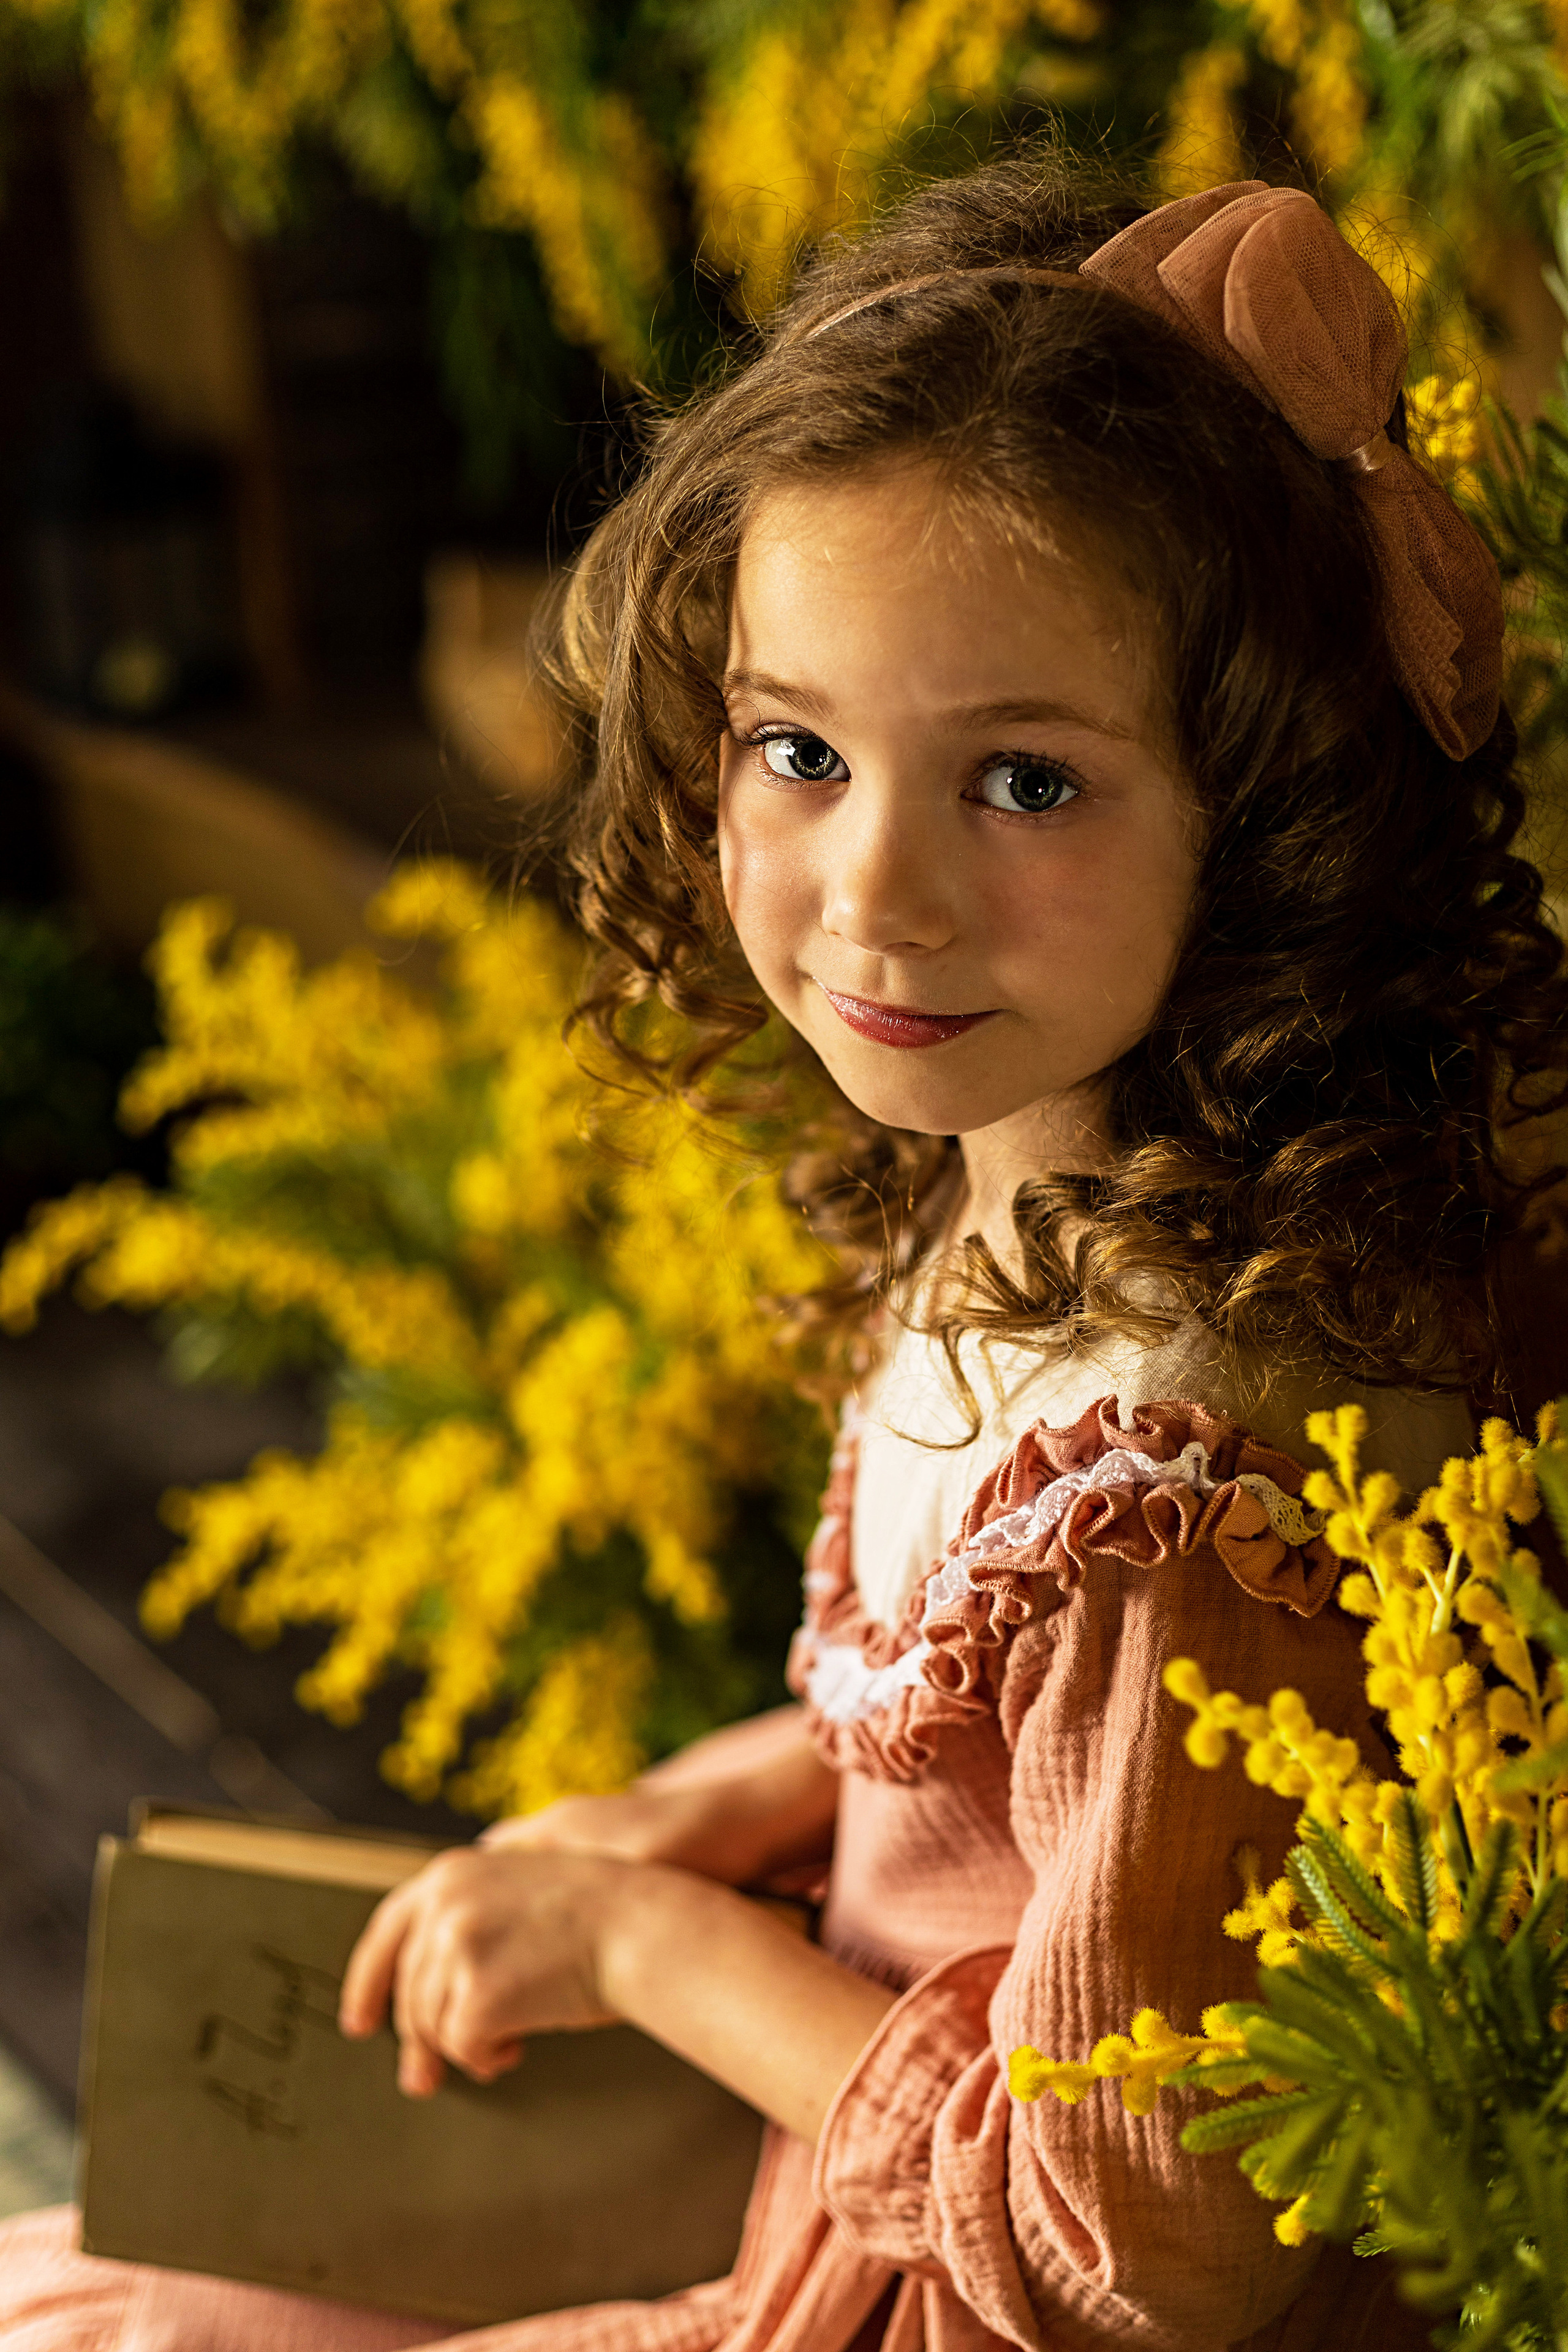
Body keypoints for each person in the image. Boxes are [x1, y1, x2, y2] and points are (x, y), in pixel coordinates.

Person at [4, 146, 1565, 2352]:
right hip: (828, 2137)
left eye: (1025, 781)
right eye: (799, 750)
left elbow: (1137, 2250)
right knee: (168, 2273)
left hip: (948, 2286)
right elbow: (952, 1748)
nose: (875, 898)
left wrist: (654, 1950)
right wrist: (696, 1798)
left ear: (1274, 805)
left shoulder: (1201, 1500)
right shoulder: (1048, 1147)